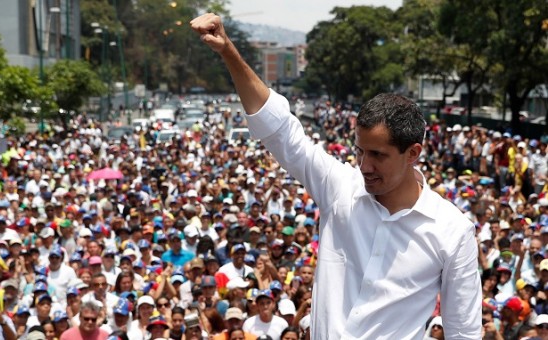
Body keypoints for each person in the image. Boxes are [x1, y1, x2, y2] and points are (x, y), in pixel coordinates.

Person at [190, 13, 481, 339]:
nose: (364, 165)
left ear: (413, 153)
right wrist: (228, 50)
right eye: (360, 151)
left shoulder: (452, 232)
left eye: (378, 155)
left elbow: (464, 332)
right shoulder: (340, 187)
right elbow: (280, 130)